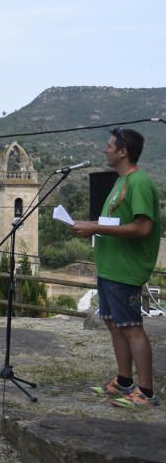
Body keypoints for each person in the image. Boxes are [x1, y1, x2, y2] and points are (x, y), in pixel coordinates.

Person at [73, 127, 162, 408]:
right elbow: (115, 223)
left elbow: (143, 227)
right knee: (114, 325)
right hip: (110, 268)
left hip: (126, 270)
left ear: (123, 152)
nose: (105, 149)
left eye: (110, 145)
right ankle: (124, 382)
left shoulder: (140, 183)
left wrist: (95, 227)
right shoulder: (119, 182)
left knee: (132, 327)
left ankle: (146, 392)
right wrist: (92, 228)